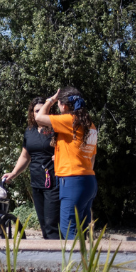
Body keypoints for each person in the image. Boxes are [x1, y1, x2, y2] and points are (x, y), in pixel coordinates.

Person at [35, 87, 97, 240]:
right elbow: (91, 157)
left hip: (72, 182)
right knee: (82, 229)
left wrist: (51, 99)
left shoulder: (70, 120)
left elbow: (39, 118)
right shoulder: (90, 124)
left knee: (69, 229)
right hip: (88, 180)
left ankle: (75, 263)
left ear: (63, 105)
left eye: (58, 105)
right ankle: (88, 263)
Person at [3, 97, 60, 240]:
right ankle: (49, 258)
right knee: (43, 224)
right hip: (36, 181)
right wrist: (14, 173)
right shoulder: (29, 131)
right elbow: (25, 156)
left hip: (55, 181)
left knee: (51, 223)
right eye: (36, 111)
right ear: (32, 113)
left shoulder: (57, 128)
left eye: (43, 110)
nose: (39, 113)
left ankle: (59, 259)